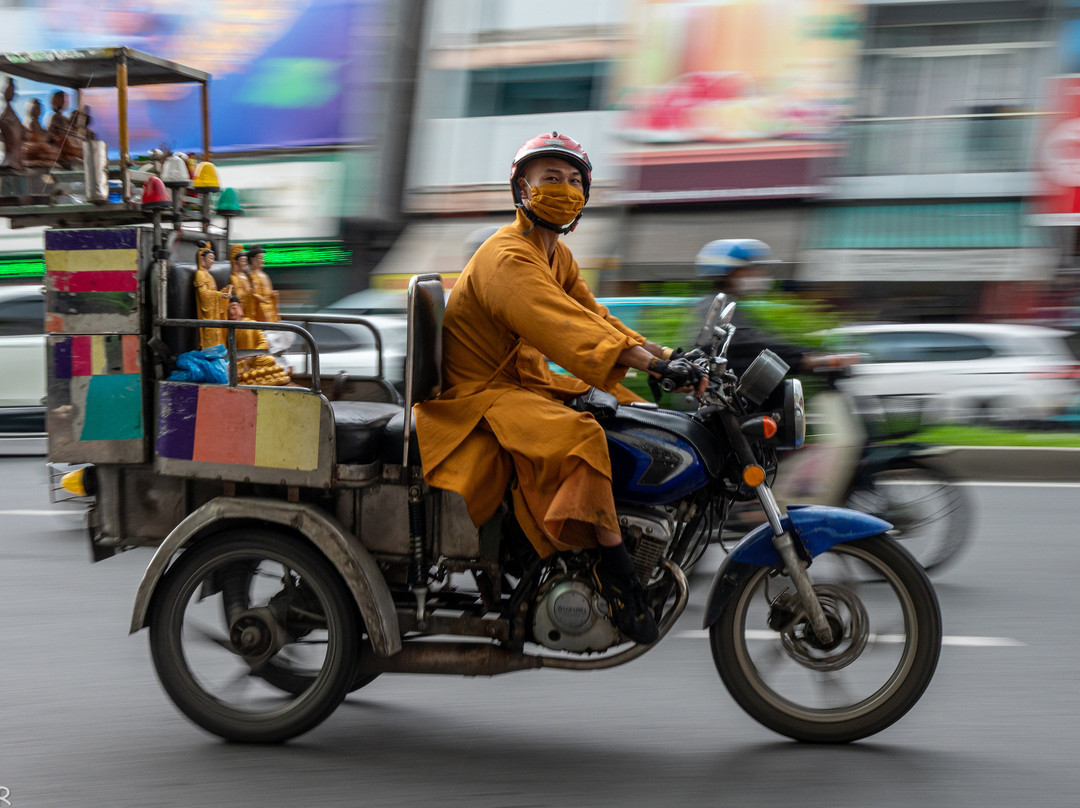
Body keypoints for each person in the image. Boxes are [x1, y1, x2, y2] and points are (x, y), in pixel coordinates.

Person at [414, 132, 704, 645]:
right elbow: (561, 328)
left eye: (574, 181)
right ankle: (617, 582)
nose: (564, 190)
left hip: (518, 385)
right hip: (477, 397)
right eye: (550, 179)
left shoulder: (554, 254)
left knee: (626, 412)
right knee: (582, 437)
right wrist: (651, 365)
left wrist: (665, 358)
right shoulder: (507, 255)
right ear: (522, 189)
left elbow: (596, 318)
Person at [692, 238, 841, 375]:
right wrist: (803, 359)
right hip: (715, 398)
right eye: (753, 268)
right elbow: (748, 345)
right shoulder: (717, 307)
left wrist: (809, 355)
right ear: (731, 273)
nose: (760, 274)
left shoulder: (732, 306)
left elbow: (760, 341)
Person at [226, 296, 291, 385]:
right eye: (228, 310)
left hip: (254, 359)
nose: (231, 311)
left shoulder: (251, 323)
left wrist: (255, 355)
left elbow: (263, 342)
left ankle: (248, 375)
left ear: (241, 308)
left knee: (270, 360)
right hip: (239, 363)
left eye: (234, 307)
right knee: (229, 368)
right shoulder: (226, 328)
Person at [192, 242, 232, 350]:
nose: (213, 261)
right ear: (202, 260)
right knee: (210, 343)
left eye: (213, 258)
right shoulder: (199, 274)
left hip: (215, 314)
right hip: (208, 314)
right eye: (210, 258)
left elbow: (212, 292)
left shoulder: (209, 276)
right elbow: (203, 295)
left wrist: (224, 291)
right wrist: (219, 295)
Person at [246, 245, 280, 323]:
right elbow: (252, 295)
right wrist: (259, 298)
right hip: (261, 310)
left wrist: (272, 294)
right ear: (253, 260)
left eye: (263, 258)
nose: (263, 261)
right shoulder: (251, 276)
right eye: (260, 258)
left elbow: (267, 292)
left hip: (269, 308)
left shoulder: (265, 275)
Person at [228, 244, 256, 320]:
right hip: (242, 308)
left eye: (245, 261)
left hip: (249, 306)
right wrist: (250, 293)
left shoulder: (245, 276)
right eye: (243, 261)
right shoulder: (234, 278)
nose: (245, 263)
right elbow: (239, 296)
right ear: (236, 262)